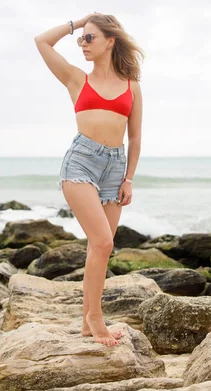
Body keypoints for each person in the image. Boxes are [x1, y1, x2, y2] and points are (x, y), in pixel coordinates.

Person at [34, 13, 144, 346]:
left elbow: (135, 138)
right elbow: (41, 41)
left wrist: (128, 179)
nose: (83, 43)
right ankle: (95, 319)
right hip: (81, 163)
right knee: (103, 241)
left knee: (99, 248)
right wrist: (79, 22)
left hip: (115, 168)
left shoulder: (132, 86)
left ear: (110, 41)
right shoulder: (76, 79)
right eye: (82, 39)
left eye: (90, 37)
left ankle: (87, 322)